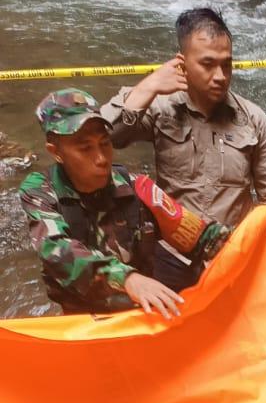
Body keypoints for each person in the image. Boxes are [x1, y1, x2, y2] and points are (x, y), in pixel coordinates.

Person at [100, 6, 266, 290]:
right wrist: (147, 87)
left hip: (233, 253)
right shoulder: (161, 108)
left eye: (226, 64)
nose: (220, 76)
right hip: (171, 255)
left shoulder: (252, 119)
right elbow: (105, 136)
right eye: (208, 64)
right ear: (182, 63)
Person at [19, 90, 229, 316]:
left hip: (140, 314)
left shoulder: (138, 188)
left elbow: (203, 239)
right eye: (85, 148)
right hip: (82, 322)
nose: (101, 159)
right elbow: (57, 252)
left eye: (105, 143)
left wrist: (259, 231)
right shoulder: (40, 192)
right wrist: (128, 279)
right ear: (56, 152)